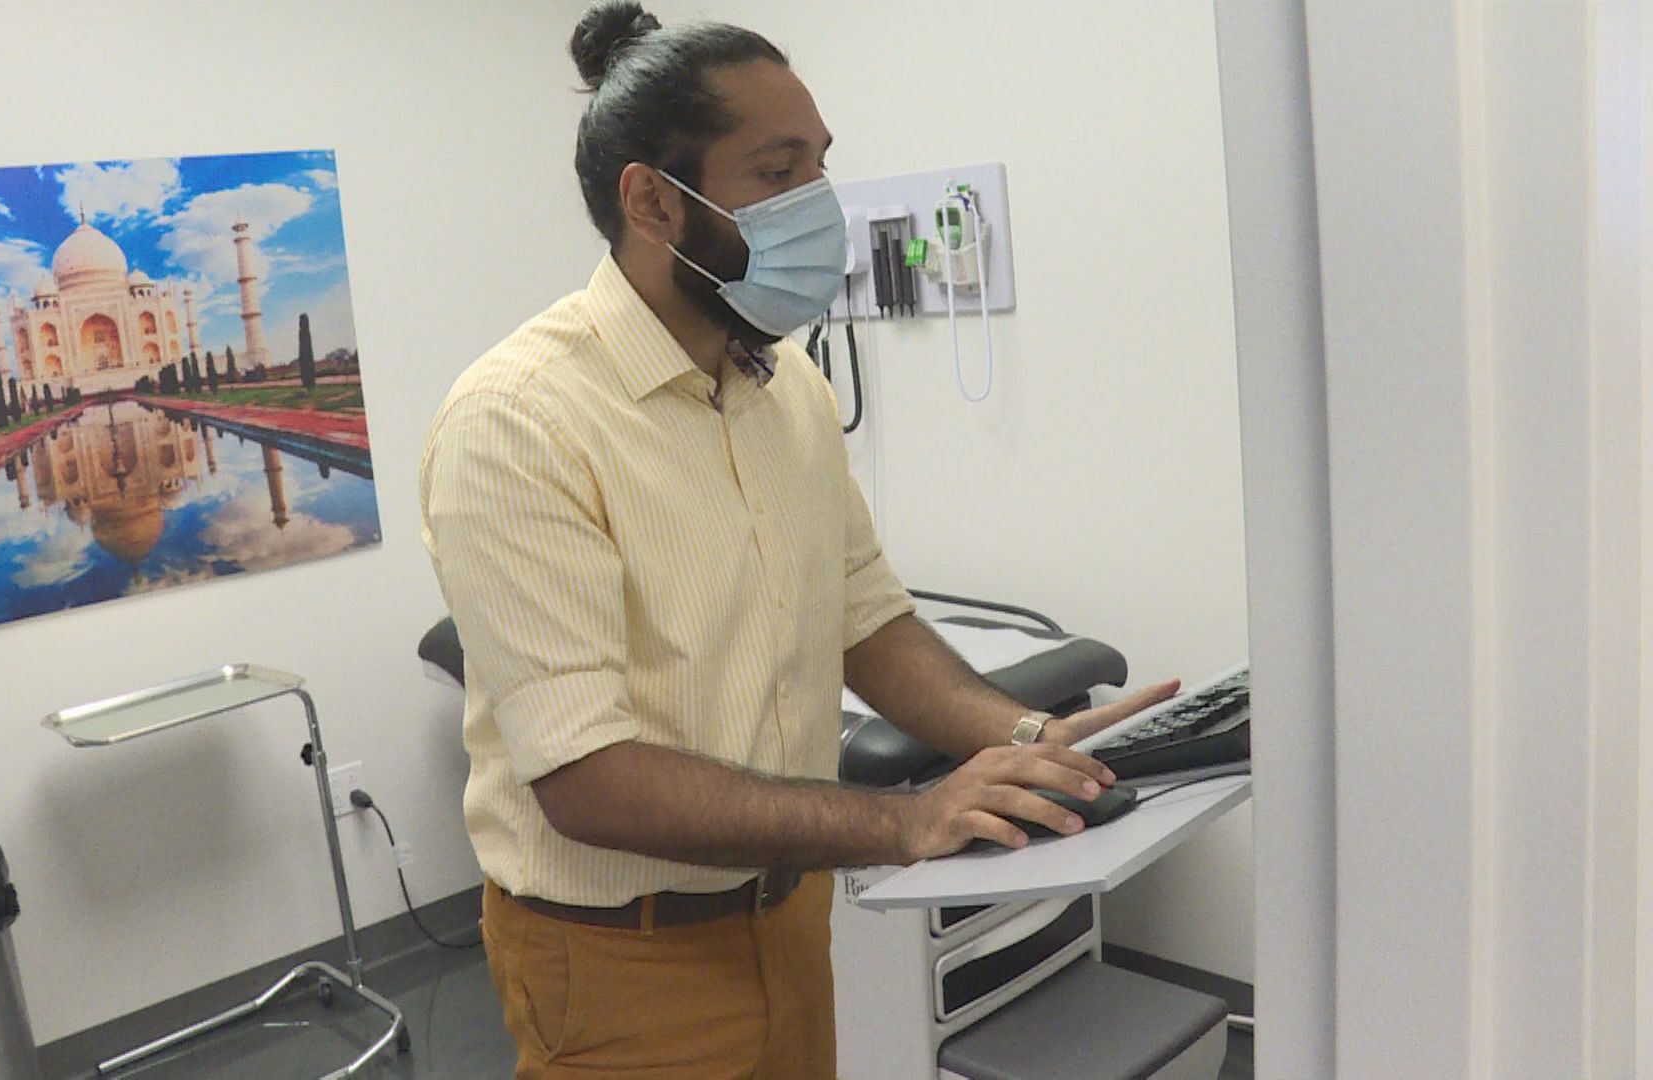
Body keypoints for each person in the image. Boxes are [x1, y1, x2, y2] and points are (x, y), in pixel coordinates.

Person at [419, 4, 1180, 1076]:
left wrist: (1024, 739)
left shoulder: (788, 388)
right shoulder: (517, 421)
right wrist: (903, 822)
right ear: (654, 202)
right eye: (778, 173)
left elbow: (866, 620)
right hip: (620, 957)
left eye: (821, 164)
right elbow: (586, 779)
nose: (820, 204)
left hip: (787, 913)